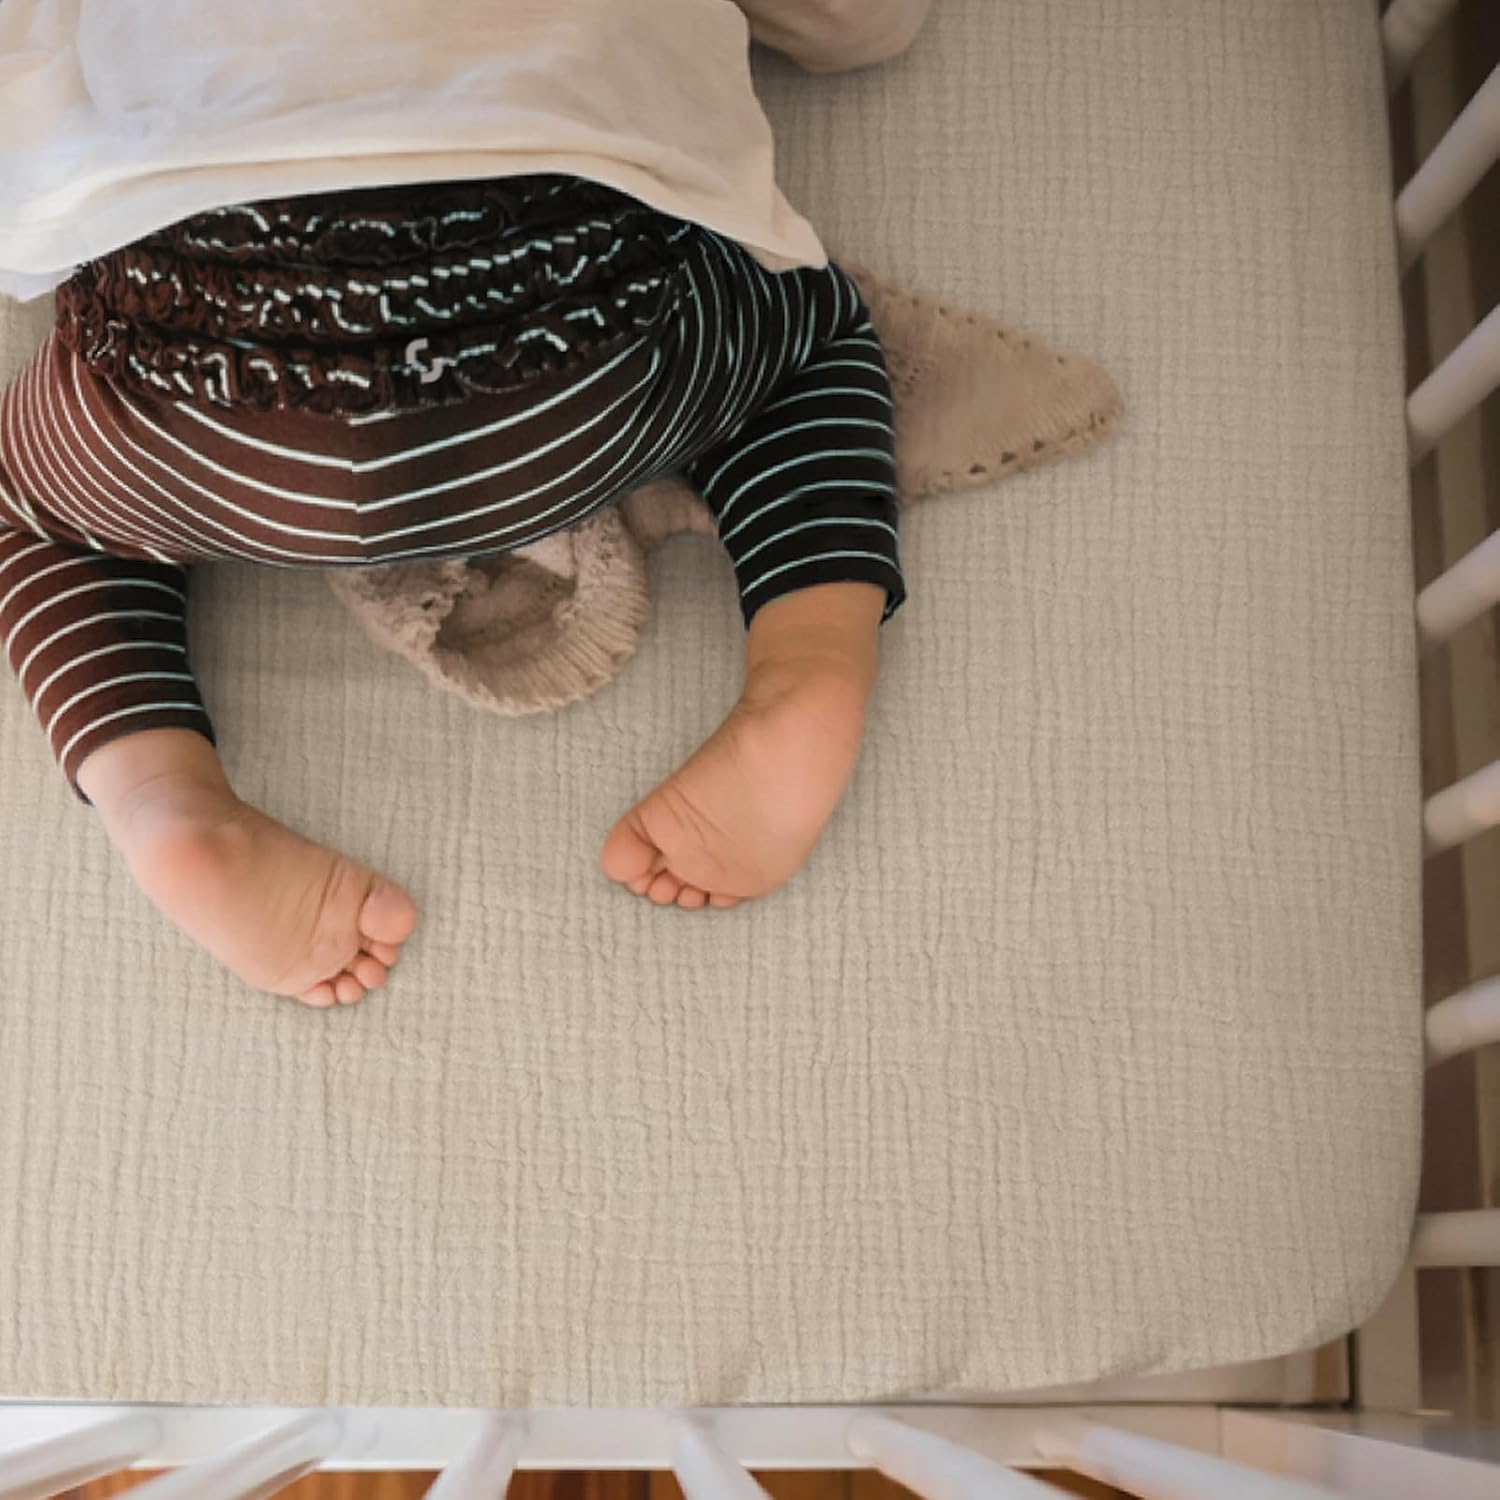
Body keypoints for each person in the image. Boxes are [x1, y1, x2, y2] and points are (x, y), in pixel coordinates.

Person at [0, 0, 931, 1007]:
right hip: (568, 366)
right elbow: (861, 27)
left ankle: (160, 794)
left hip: (212, 401)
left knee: (37, 513)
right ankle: (807, 663)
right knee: (809, 342)